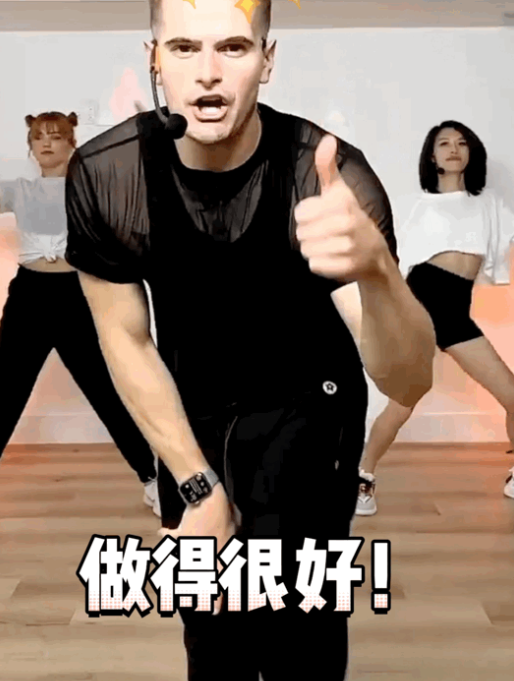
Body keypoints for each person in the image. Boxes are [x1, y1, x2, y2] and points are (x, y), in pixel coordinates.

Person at [64, 0, 436, 678]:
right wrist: (198, 485)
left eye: (233, 47)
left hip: (311, 412)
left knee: (303, 633)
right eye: (184, 48)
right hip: (193, 415)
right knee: (211, 635)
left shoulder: (323, 174)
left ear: (267, 60)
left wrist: (380, 273)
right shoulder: (108, 173)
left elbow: (408, 378)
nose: (208, 72)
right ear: (154, 57)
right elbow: (126, 342)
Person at [0, 111, 160, 516]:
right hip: (29, 297)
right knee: (6, 389)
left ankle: (152, 477)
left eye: (55, 136)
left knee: (105, 389)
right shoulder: (18, 189)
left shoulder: (91, 187)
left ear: (72, 142)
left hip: (77, 295)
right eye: (38, 137)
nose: (46, 143)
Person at [357, 120, 514, 517]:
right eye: (444, 143)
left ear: (471, 152)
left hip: (456, 310)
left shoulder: (489, 204)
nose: (454, 149)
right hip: (420, 303)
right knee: (403, 402)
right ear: (432, 156)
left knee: (512, 395)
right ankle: (362, 479)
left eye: (461, 143)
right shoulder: (417, 205)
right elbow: (389, 261)